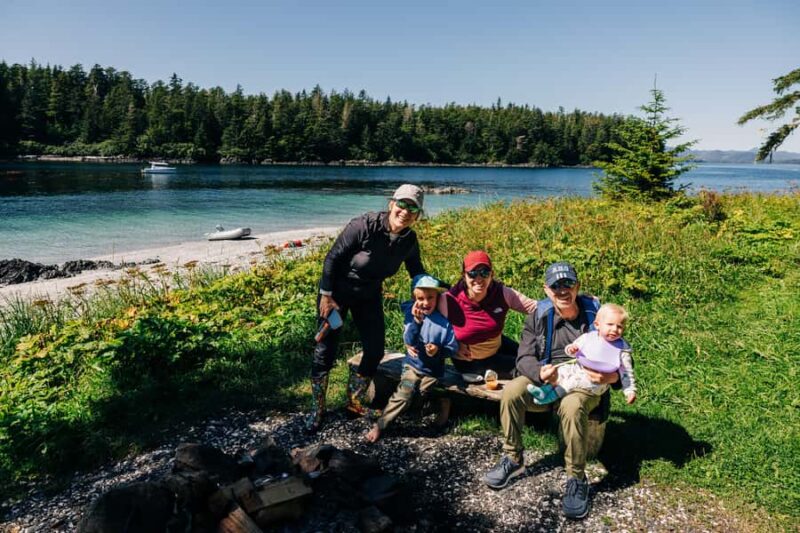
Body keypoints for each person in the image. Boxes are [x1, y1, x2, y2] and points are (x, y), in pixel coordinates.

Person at [483, 262, 620, 520]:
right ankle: (513, 457)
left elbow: (622, 351)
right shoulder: (539, 315)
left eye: (567, 284)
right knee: (512, 390)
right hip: (549, 378)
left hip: (585, 381)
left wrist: (613, 376)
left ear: (577, 286)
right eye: (555, 286)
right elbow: (523, 357)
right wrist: (538, 372)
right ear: (546, 290)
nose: (562, 290)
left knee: (571, 407)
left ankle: (576, 479)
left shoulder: (596, 314)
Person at [307, 184, 426, 432]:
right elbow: (332, 258)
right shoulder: (363, 225)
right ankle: (316, 411)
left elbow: (416, 272)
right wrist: (325, 296)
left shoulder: (408, 240)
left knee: (374, 350)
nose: (405, 211)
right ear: (391, 204)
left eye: (412, 207)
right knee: (324, 352)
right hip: (337, 294)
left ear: (417, 215)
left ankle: (354, 402)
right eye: (402, 204)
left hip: (369, 295)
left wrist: (428, 294)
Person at [366, 274, 458, 443]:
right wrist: (416, 322)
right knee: (405, 391)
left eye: (430, 297)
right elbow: (409, 340)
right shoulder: (412, 315)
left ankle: (442, 402)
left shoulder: (443, 323)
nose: (425, 302)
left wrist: (438, 350)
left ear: (437, 297)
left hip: (433, 370)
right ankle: (381, 425)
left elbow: (452, 348)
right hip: (412, 366)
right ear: (414, 299)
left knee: (423, 391)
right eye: (420, 298)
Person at [435, 250, 537, 379]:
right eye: (472, 274)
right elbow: (431, 322)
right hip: (470, 361)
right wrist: (454, 343)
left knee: (533, 358)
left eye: (484, 273)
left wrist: (563, 301)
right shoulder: (448, 299)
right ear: (464, 275)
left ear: (491, 274)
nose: (478, 279)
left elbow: (535, 307)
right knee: (528, 369)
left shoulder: (502, 293)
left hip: (497, 345)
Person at [527, 303, 637, 405]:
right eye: (610, 324)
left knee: (572, 382)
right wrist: (571, 349)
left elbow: (626, 372)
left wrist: (629, 390)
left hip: (596, 382)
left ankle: (550, 397)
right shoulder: (589, 337)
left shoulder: (622, 349)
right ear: (597, 325)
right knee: (562, 370)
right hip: (579, 368)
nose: (614, 329)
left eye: (619, 327)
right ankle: (544, 390)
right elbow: (573, 348)